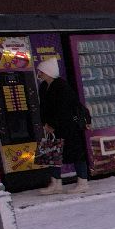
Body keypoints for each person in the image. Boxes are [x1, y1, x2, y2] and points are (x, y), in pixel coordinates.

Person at [35, 57, 91, 194]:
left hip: (68, 126)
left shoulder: (61, 86)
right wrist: (45, 124)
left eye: (41, 71)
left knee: (76, 153)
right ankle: (55, 183)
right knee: (51, 153)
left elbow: (63, 108)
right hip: (53, 126)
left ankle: (83, 182)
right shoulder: (43, 87)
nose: (39, 74)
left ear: (47, 72)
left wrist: (52, 124)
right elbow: (43, 108)